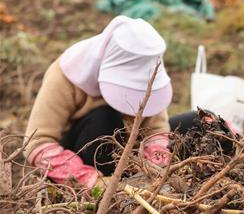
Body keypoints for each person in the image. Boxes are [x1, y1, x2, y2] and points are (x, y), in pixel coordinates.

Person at [24, 15, 182, 189]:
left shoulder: (148, 70)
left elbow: (157, 131)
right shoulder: (65, 75)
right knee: (105, 117)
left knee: (198, 121)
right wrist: (90, 181)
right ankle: (111, 187)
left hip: (132, 157)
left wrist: (154, 168)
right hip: (85, 155)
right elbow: (37, 143)